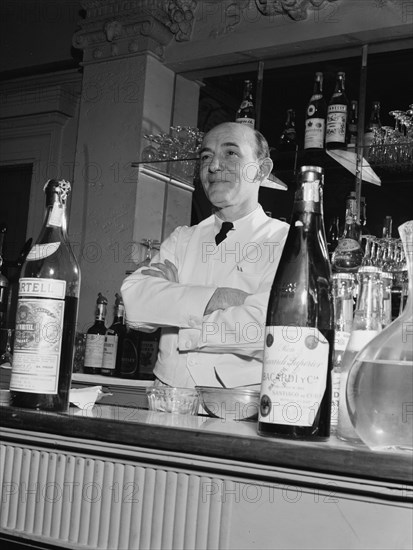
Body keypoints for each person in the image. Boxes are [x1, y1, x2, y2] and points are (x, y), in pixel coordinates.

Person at [121, 122, 288, 388]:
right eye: (206, 156)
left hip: (237, 410)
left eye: (230, 153)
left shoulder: (285, 241)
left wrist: (178, 312)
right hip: (166, 402)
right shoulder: (181, 238)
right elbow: (135, 303)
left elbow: (267, 329)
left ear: (262, 170)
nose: (213, 166)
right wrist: (219, 298)